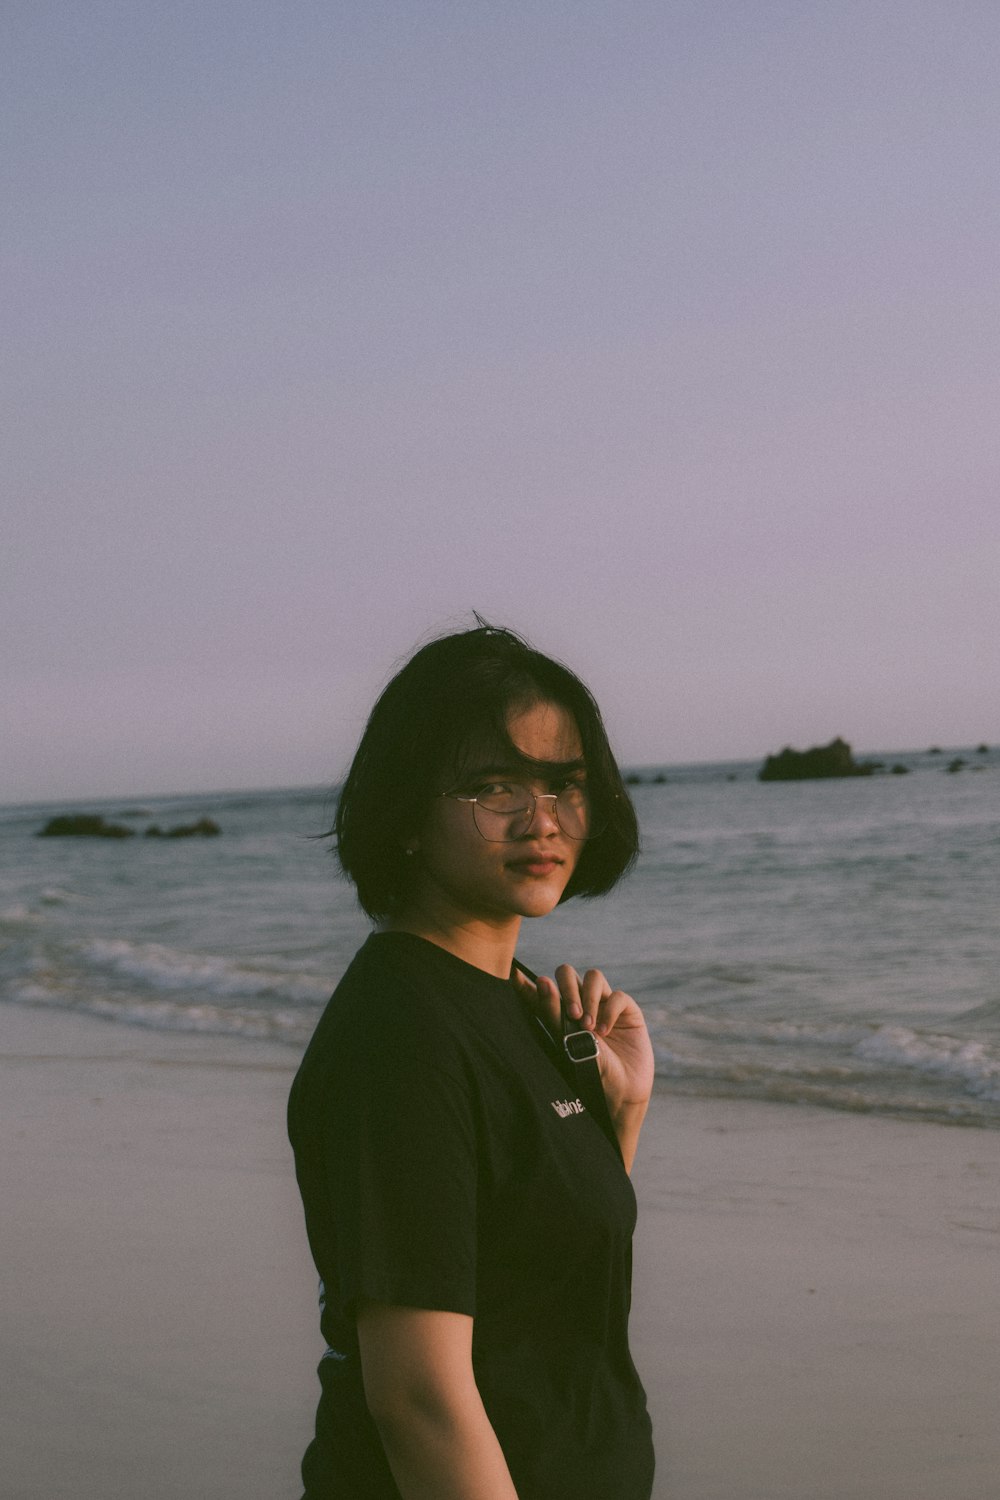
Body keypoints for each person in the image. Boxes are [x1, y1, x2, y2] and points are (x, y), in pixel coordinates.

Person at [288, 621, 655, 1500]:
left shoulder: (523, 1004)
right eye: (495, 787)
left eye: (565, 785)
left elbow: (545, 1293)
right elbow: (419, 1399)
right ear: (408, 814)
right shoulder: (403, 1031)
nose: (544, 821)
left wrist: (623, 1113)